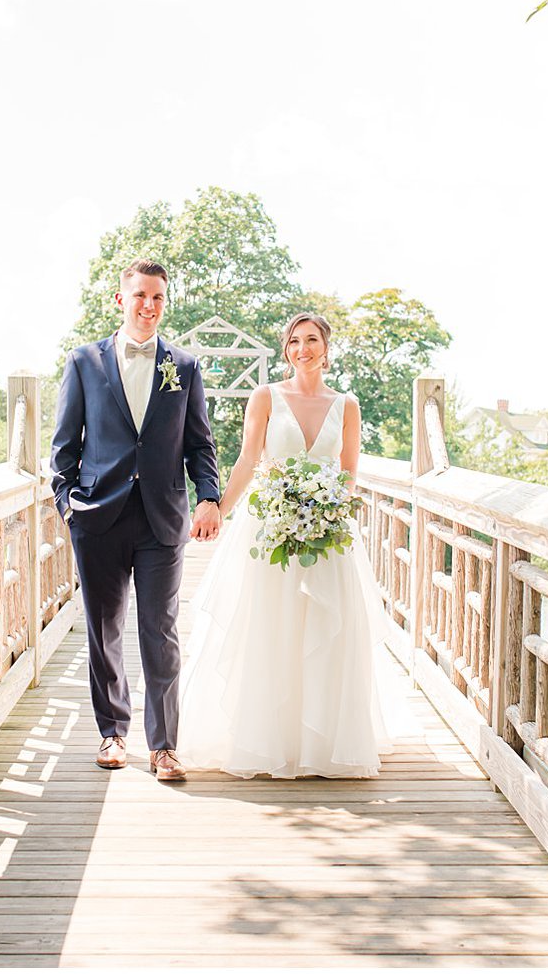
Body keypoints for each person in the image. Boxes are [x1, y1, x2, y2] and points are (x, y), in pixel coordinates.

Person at [178, 312, 410, 778]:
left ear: (326, 347)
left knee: (324, 631)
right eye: (294, 342)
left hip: (326, 535)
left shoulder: (347, 405)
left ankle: (319, 744)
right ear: (286, 350)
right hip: (268, 532)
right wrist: (217, 510)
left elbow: (347, 474)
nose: (302, 349)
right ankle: (271, 739)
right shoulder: (265, 397)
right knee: (272, 628)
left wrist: (329, 516)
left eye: (311, 340)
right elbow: (248, 460)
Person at [49, 258, 221, 781]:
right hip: (98, 516)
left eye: (158, 298)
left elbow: (200, 444)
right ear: (120, 300)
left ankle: (164, 745)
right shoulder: (83, 363)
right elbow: (63, 450)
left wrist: (209, 496)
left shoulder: (184, 367)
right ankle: (111, 733)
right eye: (140, 296)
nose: (149, 306)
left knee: (160, 631)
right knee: (103, 630)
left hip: (162, 519)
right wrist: (68, 507)